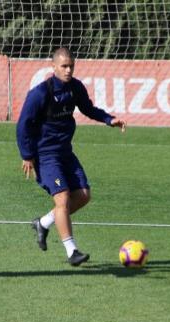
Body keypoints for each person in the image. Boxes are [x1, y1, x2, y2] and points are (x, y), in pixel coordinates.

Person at [16, 47, 127, 266]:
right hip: (45, 155)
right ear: (54, 66)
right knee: (63, 198)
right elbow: (23, 126)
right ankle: (71, 251)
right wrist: (27, 155)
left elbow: (88, 108)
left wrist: (108, 119)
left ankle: (43, 223)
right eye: (64, 66)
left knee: (84, 195)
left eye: (71, 66)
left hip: (65, 152)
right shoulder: (40, 93)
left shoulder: (75, 87)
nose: (68, 70)